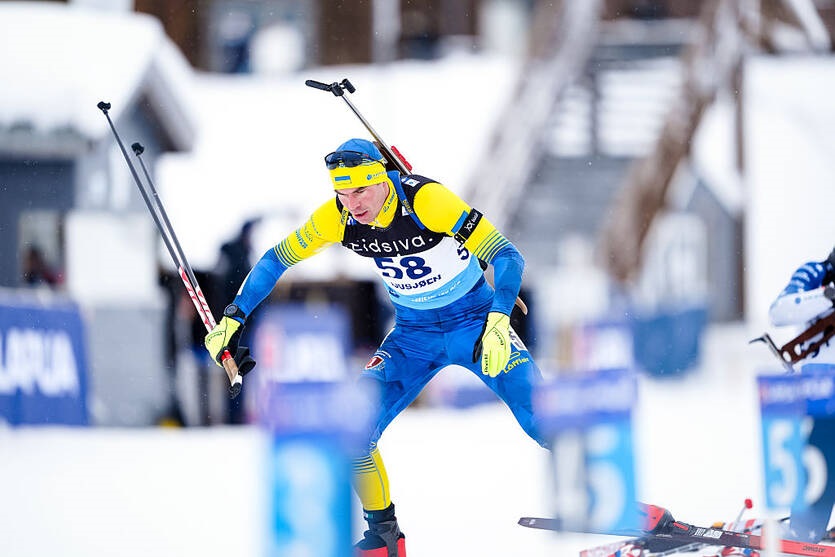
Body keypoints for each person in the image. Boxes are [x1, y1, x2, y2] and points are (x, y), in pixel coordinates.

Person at [204, 138, 550, 557]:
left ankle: (611, 501)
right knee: (351, 427)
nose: (352, 204)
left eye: (360, 191)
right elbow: (277, 258)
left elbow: (507, 255)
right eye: (342, 193)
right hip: (413, 337)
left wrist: (498, 317)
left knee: (543, 419)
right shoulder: (338, 218)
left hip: (475, 325)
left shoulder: (427, 200)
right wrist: (234, 316)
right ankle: (384, 537)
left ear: (383, 179)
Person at [768, 246, 835, 542]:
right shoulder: (815, 272)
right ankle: (805, 529)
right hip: (822, 388)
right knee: (822, 453)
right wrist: (827, 295)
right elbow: (779, 311)